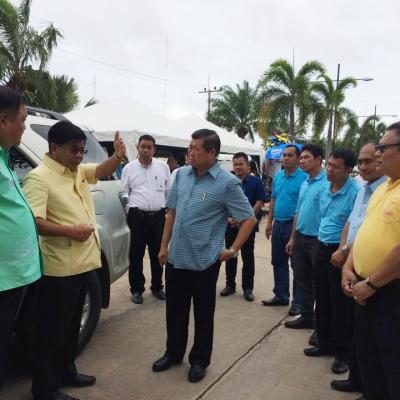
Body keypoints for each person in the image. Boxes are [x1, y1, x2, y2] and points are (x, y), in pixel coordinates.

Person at [24, 121, 126, 400]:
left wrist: (117, 156)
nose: (79, 156)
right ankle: (45, 389)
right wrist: (71, 231)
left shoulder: (76, 170)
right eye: (74, 150)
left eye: (82, 150)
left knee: (71, 328)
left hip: (85, 263)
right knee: (52, 332)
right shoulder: (39, 178)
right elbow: (34, 222)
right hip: (59, 270)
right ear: (54, 147)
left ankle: (67, 371)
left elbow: (101, 170)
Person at [152, 129, 256, 383]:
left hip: (204, 262)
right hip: (176, 258)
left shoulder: (227, 183)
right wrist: (163, 246)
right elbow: (171, 213)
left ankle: (199, 360)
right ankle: (173, 353)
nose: (190, 152)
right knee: (175, 311)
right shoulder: (181, 175)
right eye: (189, 147)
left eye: (195, 148)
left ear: (211, 153)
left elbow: (249, 219)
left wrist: (232, 250)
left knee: (203, 314)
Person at [342, 123, 400, 400]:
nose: (377, 153)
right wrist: (348, 267)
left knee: (391, 359)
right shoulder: (382, 189)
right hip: (365, 285)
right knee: (369, 354)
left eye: (382, 147)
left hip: (389, 291)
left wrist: (373, 284)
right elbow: (363, 231)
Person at [329, 143, 385, 395]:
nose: (363, 167)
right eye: (361, 162)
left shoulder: (385, 190)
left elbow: (371, 233)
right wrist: (344, 251)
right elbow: (352, 223)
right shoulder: (364, 190)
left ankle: (368, 385)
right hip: (352, 264)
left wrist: (345, 253)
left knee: (373, 336)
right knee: (354, 326)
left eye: (369, 161)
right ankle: (356, 377)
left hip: (374, 274)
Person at [0, 86, 42, 389]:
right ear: (3, 120)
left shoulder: (4, 156)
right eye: (23, 120)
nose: (24, 127)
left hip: (14, 275)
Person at [303, 149, 359, 376]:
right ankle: (324, 342)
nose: (329, 170)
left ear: (348, 170)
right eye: (329, 165)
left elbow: (356, 226)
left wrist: (344, 250)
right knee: (323, 297)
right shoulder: (324, 189)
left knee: (340, 304)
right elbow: (323, 218)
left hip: (341, 251)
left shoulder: (355, 193)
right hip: (322, 246)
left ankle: (342, 354)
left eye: (335, 167)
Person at [121, 134, 171, 304]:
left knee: (158, 253)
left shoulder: (163, 167)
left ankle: (157, 286)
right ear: (138, 148)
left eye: (149, 147)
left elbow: (168, 191)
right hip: (137, 217)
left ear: (154, 150)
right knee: (136, 254)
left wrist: (165, 212)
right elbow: (124, 193)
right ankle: (136, 289)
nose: (145, 150)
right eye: (143, 146)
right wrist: (129, 213)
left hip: (158, 217)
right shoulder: (129, 168)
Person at [284, 144, 326, 341]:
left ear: (318, 159)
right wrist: (293, 237)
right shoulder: (305, 183)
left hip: (319, 240)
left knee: (321, 284)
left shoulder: (327, 183)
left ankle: (321, 326)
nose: (302, 161)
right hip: (301, 238)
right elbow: (298, 212)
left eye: (306, 157)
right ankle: (307, 316)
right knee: (303, 280)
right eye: (301, 158)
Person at [262, 145, 307, 316]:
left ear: (298, 158)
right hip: (278, 224)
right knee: (278, 261)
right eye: (284, 155)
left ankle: (298, 302)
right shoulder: (279, 176)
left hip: (294, 226)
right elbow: (273, 199)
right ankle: (281, 295)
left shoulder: (304, 178)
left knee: (297, 265)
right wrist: (269, 223)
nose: (285, 158)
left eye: (290, 155)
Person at [220, 152, 266, 301]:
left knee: (248, 257)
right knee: (230, 255)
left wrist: (245, 219)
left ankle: (248, 288)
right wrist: (229, 219)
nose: (238, 167)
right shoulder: (227, 181)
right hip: (231, 225)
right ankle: (230, 285)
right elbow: (222, 203)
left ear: (248, 166)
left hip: (248, 227)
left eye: (241, 164)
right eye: (235, 164)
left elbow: (259, 202)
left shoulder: (256, 182)